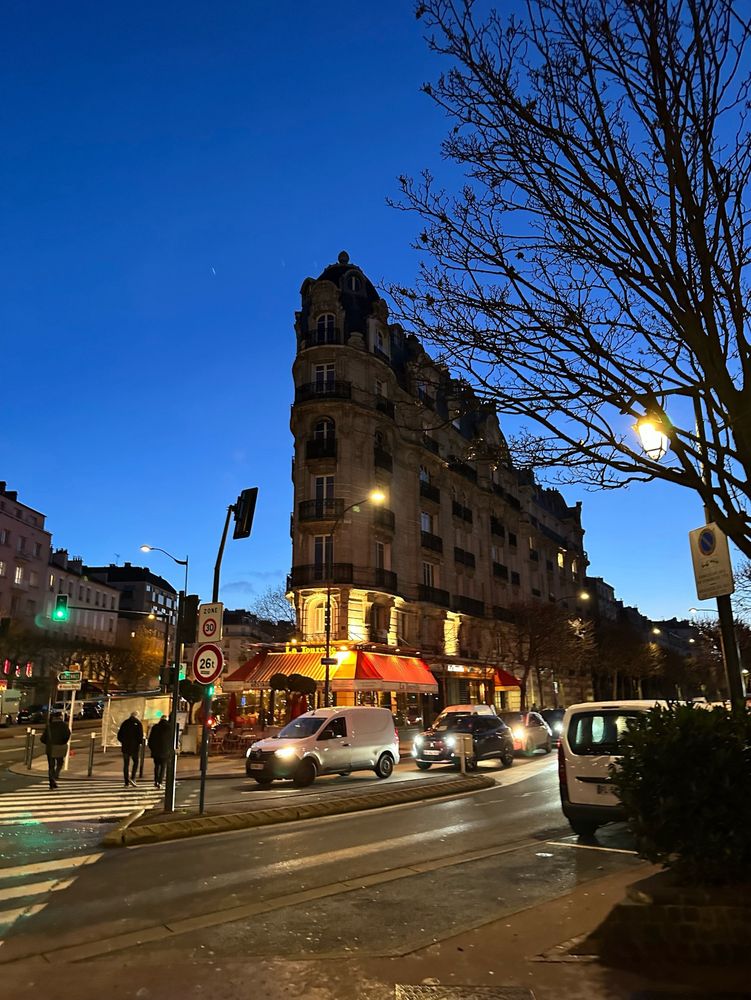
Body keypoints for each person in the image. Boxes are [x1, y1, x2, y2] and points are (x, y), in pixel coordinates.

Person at [40, 712, 71, 789]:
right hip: (60, 747)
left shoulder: (49, 726)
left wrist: (49, 742)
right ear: (60, 717)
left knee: (51, 766)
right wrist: (63, 742)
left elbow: (42, 739)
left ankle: (51, 781)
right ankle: (56, 775)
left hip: (50, 748)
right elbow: (67, 735)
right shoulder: (64, 725)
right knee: (60, 762)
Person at [117, 711, 144, 787]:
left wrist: (123, 741)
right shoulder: (138, 723)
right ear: (136, 716)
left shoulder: (125, 723)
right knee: (135, 762)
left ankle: (126, 782)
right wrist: (139, 742)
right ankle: (133, 778)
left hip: (125, 747)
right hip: (134, 747)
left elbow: (119, 735)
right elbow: (140, 736)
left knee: (126, 764)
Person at [147, 715, 171, 789]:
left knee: (157, 766)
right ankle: (160, 782)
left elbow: (150, 739)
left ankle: (156, 780)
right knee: (163, 767)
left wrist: (152, 748)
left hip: (156, 750)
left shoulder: (155, 727)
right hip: (165, 750)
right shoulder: (169, 727)